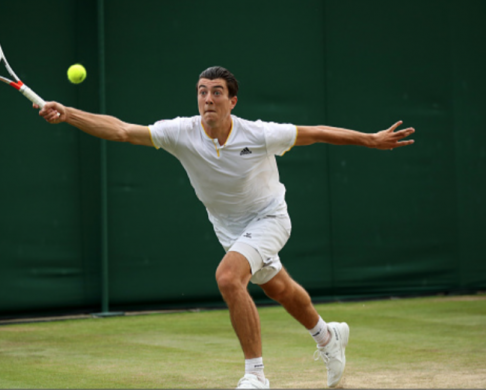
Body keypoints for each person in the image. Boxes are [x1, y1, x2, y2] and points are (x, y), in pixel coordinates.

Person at [34, 66, 415, 389]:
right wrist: (68, 113)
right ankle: (328, 337)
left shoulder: (259, 134)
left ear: (233, 101)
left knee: (229, 278)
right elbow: (120, 130)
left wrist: (371, 139)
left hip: (270, 217)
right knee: (279, 288)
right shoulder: (180, 132)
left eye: (217, 93)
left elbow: (316, 132)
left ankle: (256, 375)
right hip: (228, 228)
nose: (208, 99)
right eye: (202, 92)